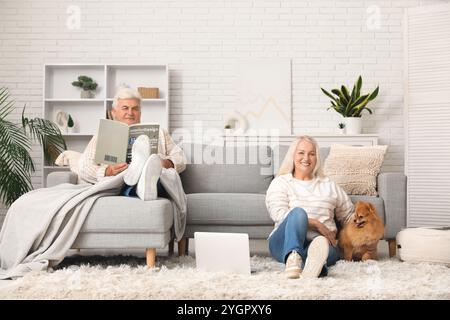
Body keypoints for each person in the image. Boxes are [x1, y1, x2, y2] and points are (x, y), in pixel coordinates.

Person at [266, 136, 354, 279]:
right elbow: (278, 214)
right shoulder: (281, 182)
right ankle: (293, 257)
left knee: (329, 251)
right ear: (293, 156)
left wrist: (363, 235)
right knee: (298, 213)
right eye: (301, 153)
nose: (306, 158)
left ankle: (313, 266)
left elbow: (349, 216)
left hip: (320, 242)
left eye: (311, 154)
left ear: (316, 158)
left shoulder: (328, 185)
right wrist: (316, 223)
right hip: (282, 243)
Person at [77, 87, 186, 200]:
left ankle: (144, 175)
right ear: (114, 113)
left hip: (157, 177)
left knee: (156, 175)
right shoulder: (102, 135)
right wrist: (107, 171)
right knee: (125, 180)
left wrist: (166, 163)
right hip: (119, 181)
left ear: (140, 112)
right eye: (125, 108)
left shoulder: (160, 133)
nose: (130, 112)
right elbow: (84, 166)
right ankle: (140, 182)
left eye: (135, 108)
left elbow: (180, 157)